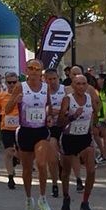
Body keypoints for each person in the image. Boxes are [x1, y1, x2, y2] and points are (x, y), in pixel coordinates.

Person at [5, 59, 52, 210]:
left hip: (41, 131)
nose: (33, 71)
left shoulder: (46, 88)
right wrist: (15, 101)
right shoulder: (20, 87)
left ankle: (43, 198)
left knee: (41, 163)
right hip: (25, 131)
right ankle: (28, 199)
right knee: (26, 169)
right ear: (27, 71)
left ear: (41, 72)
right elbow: (7, 109)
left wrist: (50, 116)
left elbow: (49, 107)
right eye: (30, 68)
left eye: (37, 69)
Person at [58, 74, 98, 210]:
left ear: (87, 85)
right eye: (78, 84)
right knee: (65, 172)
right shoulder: (68, 100)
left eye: (83, 83)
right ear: (73, 85)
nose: (81, 86)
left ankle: (85, 202)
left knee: (91, 171)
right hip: (69, 138)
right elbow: (60, 122)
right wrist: (73, 116)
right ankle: (66, 197)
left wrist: (93, 127)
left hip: (85, 139)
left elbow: (94, 114)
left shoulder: (91, 99)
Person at [0, 72, 21, 190]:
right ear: (6, 83)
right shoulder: (1, 96)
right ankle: (10, 177)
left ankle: (16, 158)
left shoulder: (22, 95)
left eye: (14, 82)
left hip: (21, 128)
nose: (12, 85)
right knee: (8, 152)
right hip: (6, 128)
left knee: (20, 153)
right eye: (9, 82)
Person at [45, 68, 68, 197]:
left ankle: (65, 175)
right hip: (50, 127)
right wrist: (48, 111)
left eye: (54, 79)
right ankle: (54, 184)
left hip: (64, 125)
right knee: (52, 157)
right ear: (45, 80)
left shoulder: (65, 90)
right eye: (49, 79)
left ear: (58, 78)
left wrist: (61, 111)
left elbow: (71, 106)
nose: (52, 82)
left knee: (65, 157)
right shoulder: (42, 91)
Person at [94, 73, 106, 164]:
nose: (97, 80)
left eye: (99, 79)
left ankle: (105, 155)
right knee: (100, 134)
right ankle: (103, 154)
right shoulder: (100, 90)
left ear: (103, 79)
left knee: (105, 135)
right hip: (100, 115)